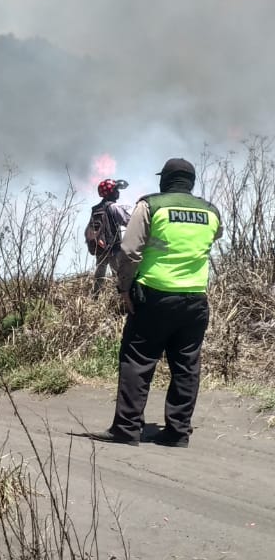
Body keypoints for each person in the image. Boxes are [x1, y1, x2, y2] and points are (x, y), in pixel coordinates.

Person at [88, 158, 221, 448]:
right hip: (196, 299)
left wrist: (124, 288)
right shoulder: (210, 211)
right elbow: (215, 237)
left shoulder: (150, 205)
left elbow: (129, 251)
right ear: (191, 182)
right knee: (186, 365)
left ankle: (126, 429)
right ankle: (177, 433)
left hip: (154, 295)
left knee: (137, 360)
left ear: (165, 180)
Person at [90, 178, 132, 297]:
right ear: (111, 193)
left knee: (99, 276)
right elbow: (129, 222)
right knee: (119, 276)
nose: (118, 192)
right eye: (116, 190)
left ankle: (95, 298)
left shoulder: (96, 209)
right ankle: (120, 299)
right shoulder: (114, 207)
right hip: (114, 248)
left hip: (100, 248)